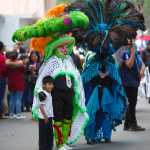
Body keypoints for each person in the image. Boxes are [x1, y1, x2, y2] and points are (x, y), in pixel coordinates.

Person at [116, 40, 145, 131]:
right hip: (128, 82)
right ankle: (133, 124)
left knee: (132, 103)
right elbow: (129, 64)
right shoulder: (125, 53)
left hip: (134, 81)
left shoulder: (136, 54)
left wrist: (141, 71)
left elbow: (142, 64)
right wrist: (132, 53)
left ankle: (127, 124)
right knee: (132, 103)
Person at [5, 51, 26, 119]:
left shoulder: (8, 64)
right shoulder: (20, 64)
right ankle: (18, 114)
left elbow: (5, 73)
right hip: (19, 82)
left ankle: (11, 114)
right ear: (17, 56)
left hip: (11, 82)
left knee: (12, 99)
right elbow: (23, 70)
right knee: (18, 99)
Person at [38, 76, 54, 150]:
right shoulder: (43, 94)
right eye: (49, 84)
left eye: (52, 84)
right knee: (43, 134)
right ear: (44, 85)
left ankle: (49, 147)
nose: (51, 86)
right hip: (43, 118)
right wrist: (45, 116)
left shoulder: (49, 93)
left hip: (49, 117)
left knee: (49, 133)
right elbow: (41, 106)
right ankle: (43, 147)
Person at [0, 41, 6, 119]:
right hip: (1, 78)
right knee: (0, 96)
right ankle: (0, 114)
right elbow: (4, 69)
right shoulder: (2, 57)